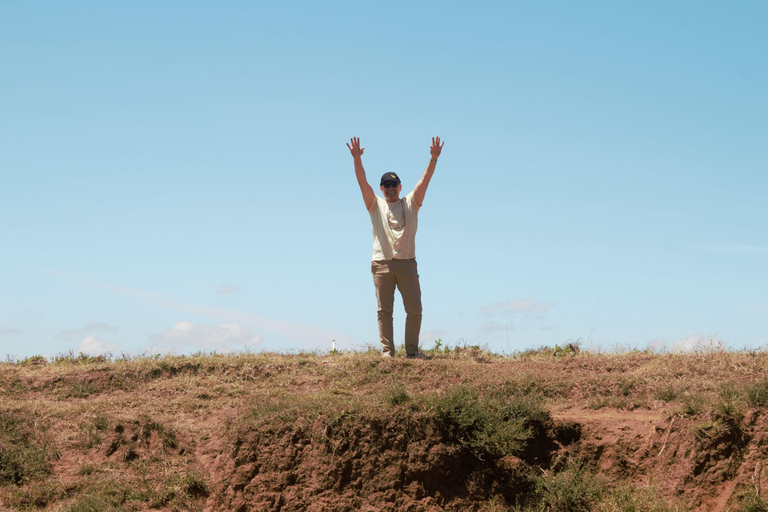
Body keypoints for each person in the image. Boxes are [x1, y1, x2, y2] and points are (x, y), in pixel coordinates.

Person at [346, 136, 444, 358]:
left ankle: (412, 353)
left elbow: (424, 182)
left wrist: (433, 158)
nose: (390, 188)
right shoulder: (375, 205)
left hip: (407, 263)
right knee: (384, 311)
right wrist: (357, 159)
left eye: (394, 184)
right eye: (386, 185)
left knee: (415, 310)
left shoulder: (410, 203)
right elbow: (362, 183)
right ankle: (387, 353)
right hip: (381, 264)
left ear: (400, 187)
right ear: (381, 188)